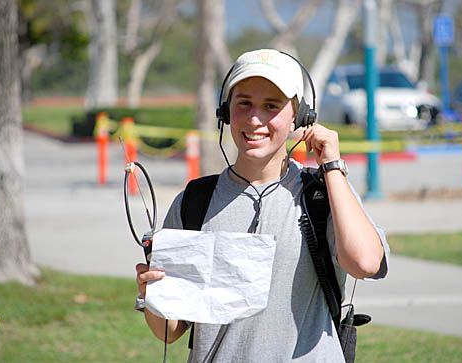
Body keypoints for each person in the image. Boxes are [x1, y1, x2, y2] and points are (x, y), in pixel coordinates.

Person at [135, 49, 389, 362]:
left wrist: (332, 166)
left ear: (301, 117)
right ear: (225, 112)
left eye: (272, 106)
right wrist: (152, 296)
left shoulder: (324, 194)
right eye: (244, 103)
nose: (255, 119)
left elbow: (364, 263)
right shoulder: (195, 202)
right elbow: (170, 331)